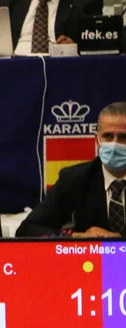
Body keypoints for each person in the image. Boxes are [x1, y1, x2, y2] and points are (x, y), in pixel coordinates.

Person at [17, 102, 126, 238]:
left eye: (123, 137)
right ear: (97, 140)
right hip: (88, 252)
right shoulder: (74, 179)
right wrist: (76, 237)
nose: (114, 144)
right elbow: (28, 229)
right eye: (108, 136)